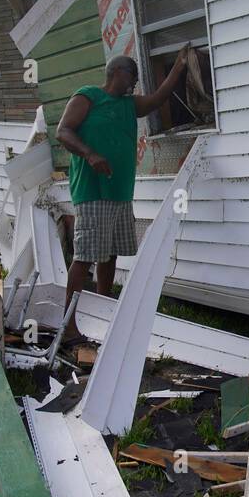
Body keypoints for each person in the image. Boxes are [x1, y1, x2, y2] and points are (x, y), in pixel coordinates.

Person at [55, 43, 194, 341]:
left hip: (119, 192)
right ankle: (68, 325)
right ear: (117, 72)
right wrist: (90, 154)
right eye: (131, 76)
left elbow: (158, 98)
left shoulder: (129, 106)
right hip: (93, 191)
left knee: (110, 255)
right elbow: (63, 131)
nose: (134, 83)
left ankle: (103, 311)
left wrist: (180, 65)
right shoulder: (88, 96)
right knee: (85, 256)